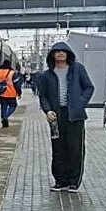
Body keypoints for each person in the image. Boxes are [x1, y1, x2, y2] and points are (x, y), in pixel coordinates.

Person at [36, 40, 94, 191]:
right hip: (57, 115)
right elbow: (43, 96)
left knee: (75, 148)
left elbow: (89, 88)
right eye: (57, 51)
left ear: (68, 54)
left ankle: (74, 181)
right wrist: (47, 110)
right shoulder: (46, 75)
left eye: (63, 51)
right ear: (52, 55)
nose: (60, 53)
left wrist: (79, 104)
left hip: (75, 115)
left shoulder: (78, 70)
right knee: (58, 148)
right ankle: (61, 181)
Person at [0, 59, 19, 128]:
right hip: (11, 94)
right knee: (13, 106)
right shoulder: (12, 73)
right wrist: (19, 93)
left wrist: (0, 82)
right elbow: (16, 84)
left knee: (3, 107)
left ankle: (4, 121)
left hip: (1, 93)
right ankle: (5, 117)